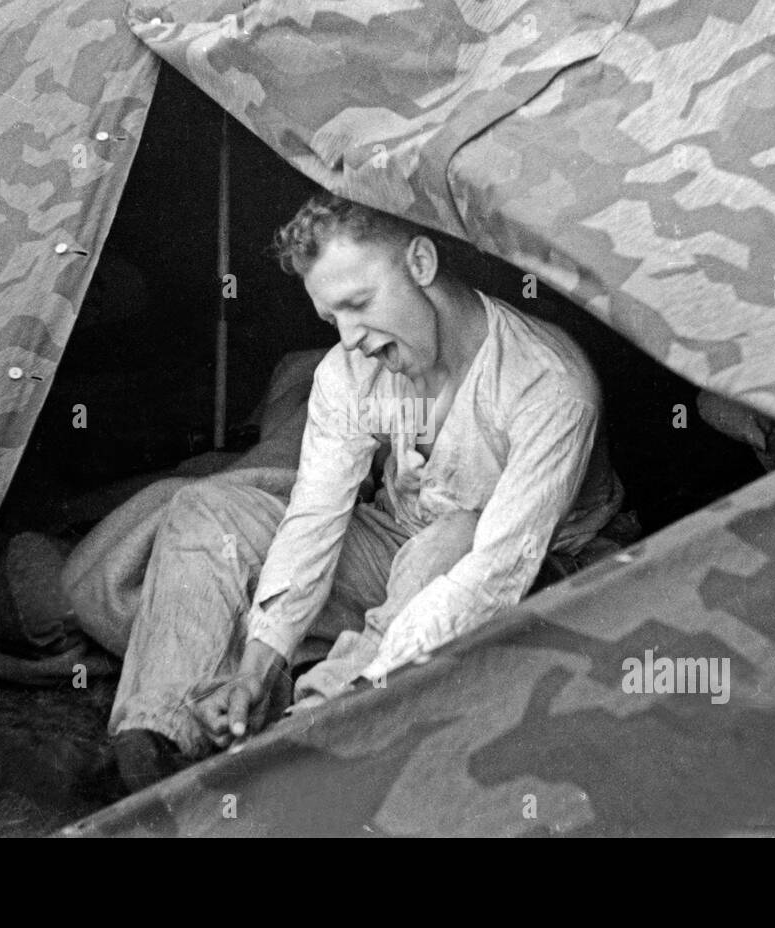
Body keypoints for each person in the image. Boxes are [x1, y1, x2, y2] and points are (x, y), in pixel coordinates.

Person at [100, 192, 625, 789]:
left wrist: (348, 687)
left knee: (448, 545)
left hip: (536, 572)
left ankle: (305, 742)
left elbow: (495, 572)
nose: (349, 337)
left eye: (358, 304)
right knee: (208, 509)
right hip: (401, 542)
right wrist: (256, 666)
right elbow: (314, 519)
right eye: (331, 320)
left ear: (421, 264)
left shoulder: (549, 384)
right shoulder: (351, 370)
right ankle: (161, 738)